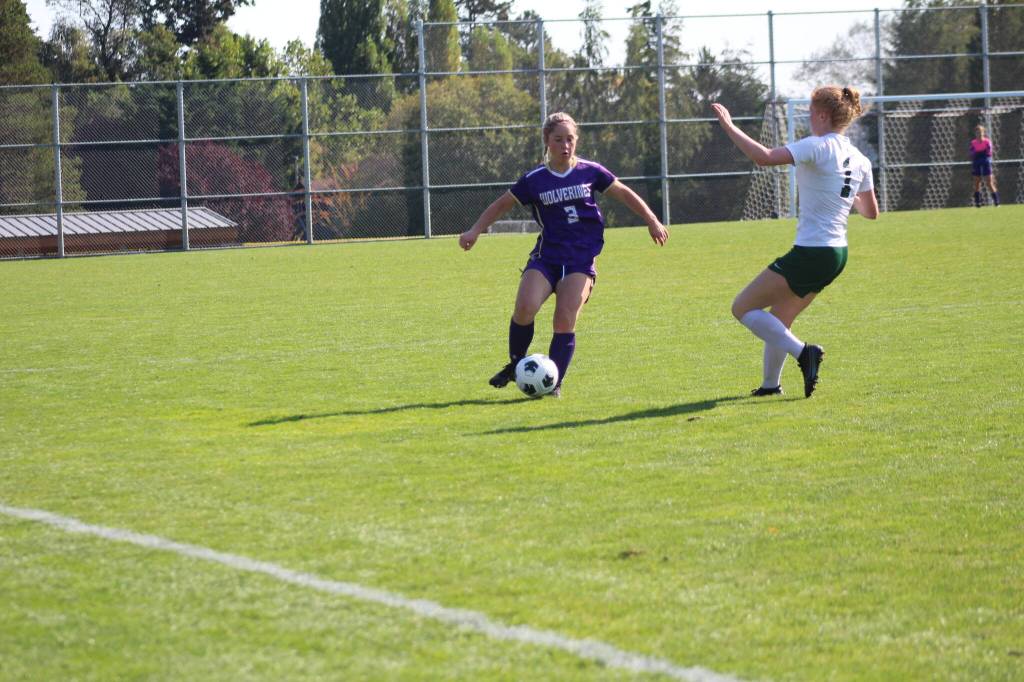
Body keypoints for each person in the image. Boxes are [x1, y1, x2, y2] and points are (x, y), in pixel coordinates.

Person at [459, 112, 669, 397]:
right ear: (547, 141)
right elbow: (502, 204)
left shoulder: (590, 171)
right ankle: (516, 364)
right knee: (524, 307)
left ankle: (553, 382)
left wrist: (651, 219)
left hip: (580, 260)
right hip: (547, 257)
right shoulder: (535, 179)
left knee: (563, 318)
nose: (565, 145)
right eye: (558, 139)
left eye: (570, 139)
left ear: (576, 140)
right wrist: (475, 230)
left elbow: (624, 193)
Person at [712, 85, 879, 398]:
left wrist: (730, 126)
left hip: (812, 251)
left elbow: (763, 158)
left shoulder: (816, 145)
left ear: (821, 115)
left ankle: (804, 353)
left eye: (810, 113)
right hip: (836, 254)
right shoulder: (859, 159)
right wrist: (843, 193)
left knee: (742, 307)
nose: (808, 119)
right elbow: (871, 212)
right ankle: (770, 386)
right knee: (779, 318)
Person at [969, 125, 999, 207]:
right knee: (977, 183)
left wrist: (984, 156)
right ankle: (978, 203)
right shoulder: (973, 143)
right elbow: (971, 153)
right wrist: (975, 154)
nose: (979, 134)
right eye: (977, 132)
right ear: (975, 133)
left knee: (989, 182)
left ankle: (997, 202)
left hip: (985, 162)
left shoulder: (987, 142)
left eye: (981, 132)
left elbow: (989, 153)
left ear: (983, 133)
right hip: (977, 162)